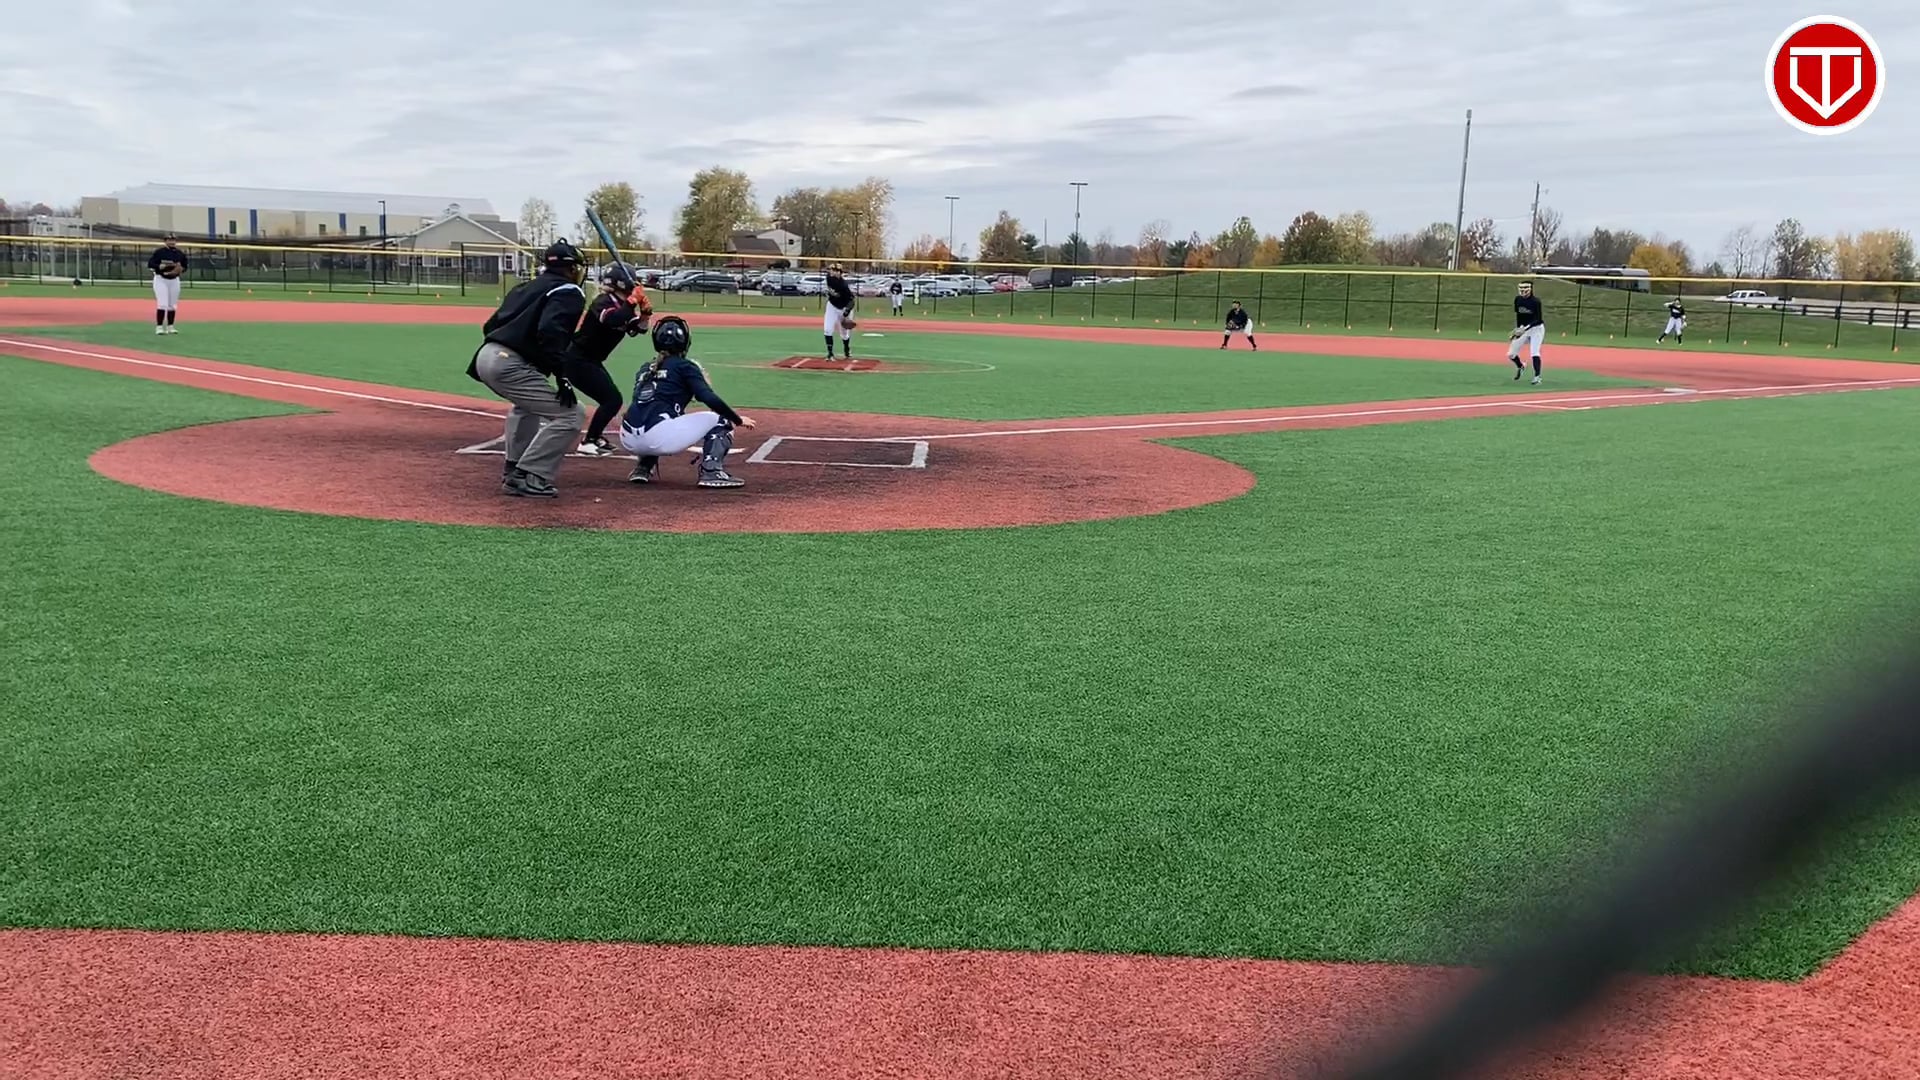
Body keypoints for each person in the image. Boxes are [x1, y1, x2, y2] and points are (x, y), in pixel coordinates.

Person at [466, 239, 589, 498]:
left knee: (526, 407)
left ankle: (514, 469)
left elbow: (491, 325)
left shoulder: (525, 286)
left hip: (487, 355)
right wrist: (562, 375)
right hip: (509, 363)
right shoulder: (569, 291)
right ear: (572, 268)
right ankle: (530, 475)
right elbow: (551, 332)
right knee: (572, 415)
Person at [619, 315, 756, 489]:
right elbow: (708, 397)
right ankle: (711, 471)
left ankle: (643, 468)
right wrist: (737, 419)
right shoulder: (686, 366)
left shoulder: (646, 368)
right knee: (721, 420)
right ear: (685, 341)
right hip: (657, 438)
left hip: (628, 438)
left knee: (657, 414)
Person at [567, 265, 654, 457]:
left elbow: (637, 329)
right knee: (612, 400)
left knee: (610, 399)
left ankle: (595, 437)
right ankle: (589, 442)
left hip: (590, 360)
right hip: (577, 359)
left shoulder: (623, 306)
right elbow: (613, 319)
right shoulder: (603, 301)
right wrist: (632, 301)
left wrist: (645, 314)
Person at [148, 234, 186, 334]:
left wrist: (180, 269)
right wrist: (159, 266)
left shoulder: (179, 253)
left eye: (173, 240)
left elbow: (185, 266)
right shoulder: (159, 252)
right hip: (161, 279)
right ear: (165, 241)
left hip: (174, 280)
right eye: (169, 240)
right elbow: (150, 264)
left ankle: (170, 327)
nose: (172, 242)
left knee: (172, 305)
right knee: (162, 304)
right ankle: (159, 327)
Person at [1508, 280, 1545, 384]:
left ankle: (1537, 377)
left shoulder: (1535, 301)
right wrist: (1518, 329)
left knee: (1534, 352)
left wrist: (1525, 328)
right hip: (1523, 328)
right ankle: (1520, 366)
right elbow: (1519, 315)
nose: (1523, 290)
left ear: (1530, 289)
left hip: (1536, 328)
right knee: (1511, 354)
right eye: (1521, 288)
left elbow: (1538, 319)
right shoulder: (1518, 300)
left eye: (1525, 288)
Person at [823, 263, 856, 360]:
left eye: (835, 270)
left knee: (844, 333)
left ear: (840, 273)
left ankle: (846, 349)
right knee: (827, 329)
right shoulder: (829, 278)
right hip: (832, 306)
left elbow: (851, 301)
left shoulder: (843, 285)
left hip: (844, 308)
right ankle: (830, 354)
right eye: (832, 270)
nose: (832, 272)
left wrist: (846, 313)